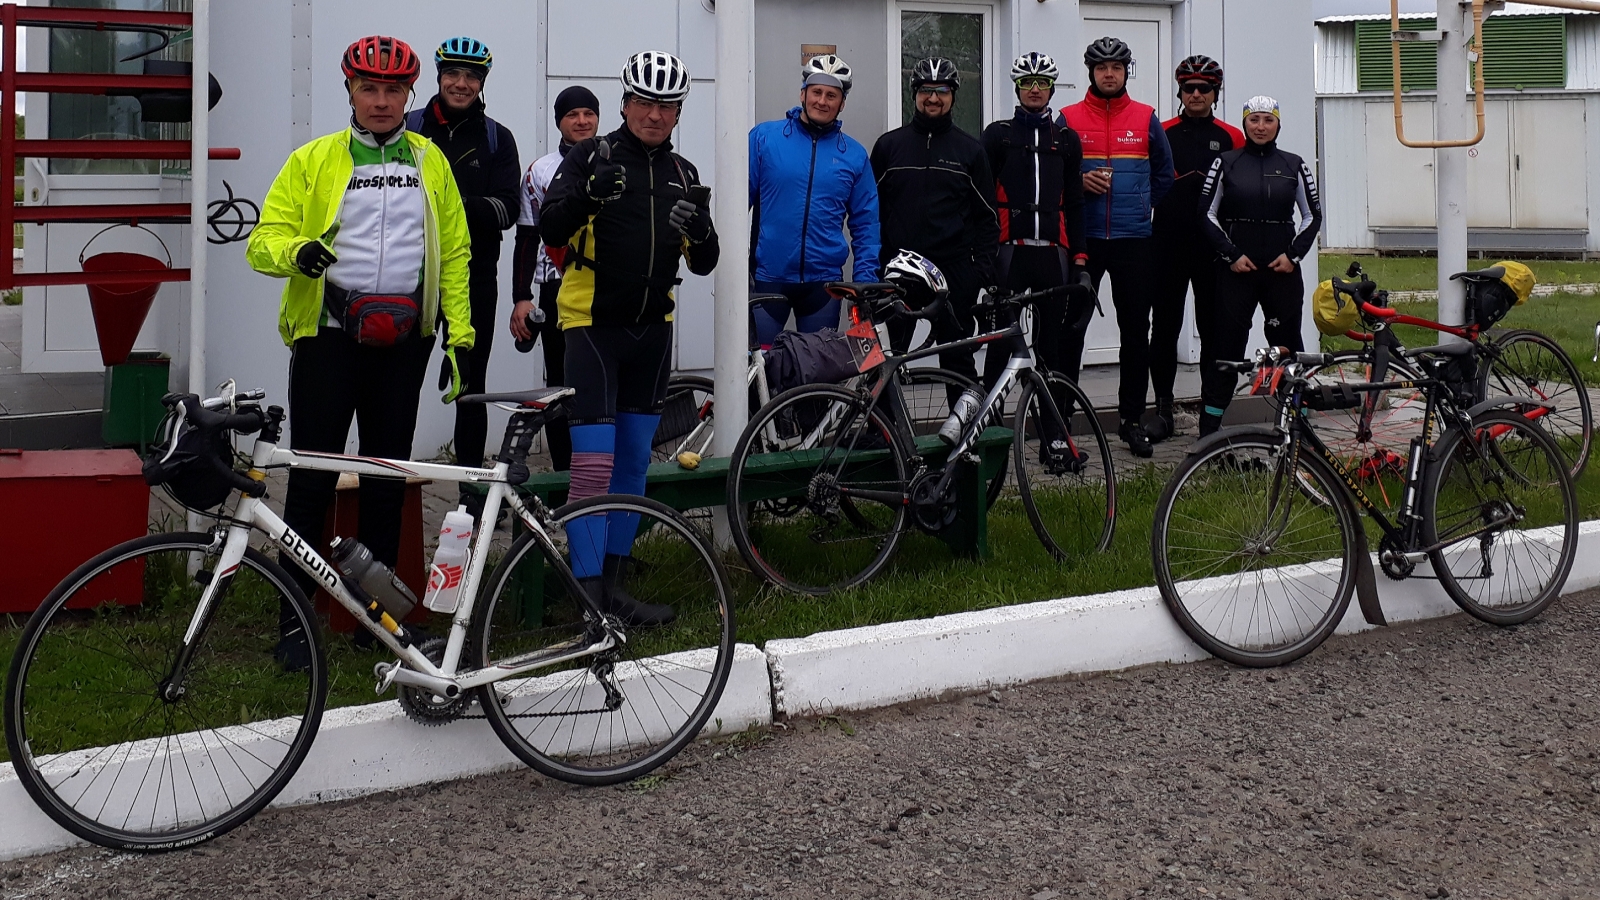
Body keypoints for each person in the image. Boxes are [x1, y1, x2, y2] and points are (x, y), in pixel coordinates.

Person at [246, 35, 473, 668]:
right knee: (310, 481)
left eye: (392, 90)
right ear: (349, 90)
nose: (380, 101)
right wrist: (296, 252)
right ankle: (296, 623)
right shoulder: (314, 159)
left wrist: (458, 336)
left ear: (409, 94)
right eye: (368, 88)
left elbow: (455, 252)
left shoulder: (430, 161)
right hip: (328, 338)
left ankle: (379, 623)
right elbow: (263, 238)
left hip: (402, 343)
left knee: (384, 482)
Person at [539, 50, 719, 625]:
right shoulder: (590, 154)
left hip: (652, 330)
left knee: (634, 464)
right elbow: (549, 226)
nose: (655, 114)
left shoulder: (683, 172)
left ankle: (613, 588)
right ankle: (586, 596)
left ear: (678, 112)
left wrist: (704, 231)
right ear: (625, 104)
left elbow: (705, 263)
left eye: (667, 105)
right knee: (594, 465)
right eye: (645, 102)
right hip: (592, 327)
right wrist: (587, 196)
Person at [406, 37, 520, 504]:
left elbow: (507, 210)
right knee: (399, 384)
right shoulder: (409, 128)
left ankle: (471, 495)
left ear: (482, 83)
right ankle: (392, 487)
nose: (461, 83)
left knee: (472, 386)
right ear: (439, 78)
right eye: (452, 74)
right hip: (412, 281)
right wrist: (470, 207)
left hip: (475, 281)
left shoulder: (497, 138)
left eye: (471, 76)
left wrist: (447, 204)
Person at [1059, 36, 1174, 458]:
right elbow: (1053, 177)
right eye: (1102, 67)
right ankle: (1061, 421)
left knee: (1135, 334)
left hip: (1133, 240)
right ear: (1090, 72)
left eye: (1117, 67)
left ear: (1127, 72)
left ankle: (1130, 420)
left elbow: (1164, 175)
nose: (1109, 74)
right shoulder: (1068, 118)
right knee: (1071, 330)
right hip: (1084, 239)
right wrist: (1078, 183)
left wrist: (1142, 205)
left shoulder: (1145, 117)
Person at [1197, 96, 1322, 435]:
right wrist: (1231, 254)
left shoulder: (1294, 164)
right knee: (1226, 348)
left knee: (1288, 346)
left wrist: (1293, 255)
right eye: (1254, 120)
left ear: (1278, 124)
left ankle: (1298, 426)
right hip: (1237, 271)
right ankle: (1209, 431)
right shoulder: (1226, 162)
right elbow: (1205, 213)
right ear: (1244, 124)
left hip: (1282, 272)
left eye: (1268, 120)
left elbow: (1312, 215)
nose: (1261, 127)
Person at [871, 57, 998, 391]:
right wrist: (877, 267)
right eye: (926, 90)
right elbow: (870, 213)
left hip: (952, 273)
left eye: (942, 90)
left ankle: (965, 423)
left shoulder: (970, 150)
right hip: (899, 270)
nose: (933, 98)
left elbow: (987, 218)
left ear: (953, 95)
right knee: (883, 361)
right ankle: (879, 424)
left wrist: (978, 275)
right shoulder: (889, 147)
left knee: (958, 361)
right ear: (914, 93)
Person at [980, 52, 1092, 415]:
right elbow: (981, 200)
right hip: (1009, 254)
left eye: (1042, 82)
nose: (1034, 89)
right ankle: (990, 427)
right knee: (1000, 346)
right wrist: (984, 256)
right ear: (1017, 87)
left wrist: (1080, 258)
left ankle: (1053, 431)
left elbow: (1075, 203)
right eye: (1027, 82)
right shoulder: (998, 135)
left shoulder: (1066, 139)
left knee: (1050, 349)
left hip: (1053, 255)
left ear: (1051, 88)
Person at [748, 54, 880, 349]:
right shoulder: (764, 139)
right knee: (760, 368)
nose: (822, 101)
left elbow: (866, 225)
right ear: (803, 94)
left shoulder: (854, 155)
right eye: (816, 92)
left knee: (816, 371)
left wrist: (864, 280)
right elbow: (735, 203)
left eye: (831, 95)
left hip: (823, 286)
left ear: (842, 103)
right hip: (768, 277)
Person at [1151, 55, 1243, 442]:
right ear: (1180, 92)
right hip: (1167, 245)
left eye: (1204, 88)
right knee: (1164, 329)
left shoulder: (1232, 137)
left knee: (1213, 331)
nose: (1196, 94)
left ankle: (1211, 415)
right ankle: (1162, 410)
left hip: (1212, 250)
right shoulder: (1162, 132)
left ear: (1215, 93)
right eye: (1188, 88)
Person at [511, 85, 601, 472]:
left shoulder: (616, 160)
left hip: (606, 288)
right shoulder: (540, 171)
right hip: (555, 289)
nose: (581, 121)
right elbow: (527, 236)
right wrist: (521, 296)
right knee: (560, 385)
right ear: (558, 122)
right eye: (571, 115)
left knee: (604, 380)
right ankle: (565, 473)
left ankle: (604, 472)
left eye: (588, 113)